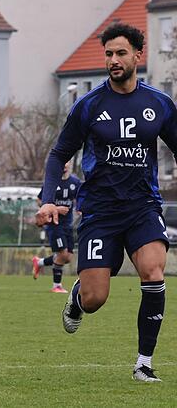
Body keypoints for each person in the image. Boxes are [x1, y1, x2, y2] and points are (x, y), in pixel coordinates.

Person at [36, 23, 175, 382]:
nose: (113, 60)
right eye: (109, 54)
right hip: (100, 209)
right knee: (97, 297)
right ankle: (78, 299)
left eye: (121, 53)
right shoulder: (89, 106)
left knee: (153, 272)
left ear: (138, 56)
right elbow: (58, 155)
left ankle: (143, 364)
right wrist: (48, 199)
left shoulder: (159, 104)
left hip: (143, 205)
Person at [32, 161, 81, 293]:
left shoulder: (75, 182)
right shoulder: (52, 182)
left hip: (68, 224)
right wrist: (56, 209)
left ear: (70, 164)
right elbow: (39, 200)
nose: (64, 166)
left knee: (68, 257)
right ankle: (56, 286)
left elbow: (80, 197)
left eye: (67, 163)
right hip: (54, 224)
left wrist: (81, 208)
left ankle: (40, 262)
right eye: (62, 163)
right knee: (62, 254)